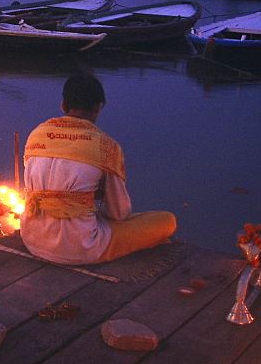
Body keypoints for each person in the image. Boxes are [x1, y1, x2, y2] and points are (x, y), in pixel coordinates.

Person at [19, 74, 176, 265]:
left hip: (32, 239)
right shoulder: (105, 146)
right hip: (81, 248)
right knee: (166, 220)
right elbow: (118, 214)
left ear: (63, 105)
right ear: (97, 108)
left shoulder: (37, 134)